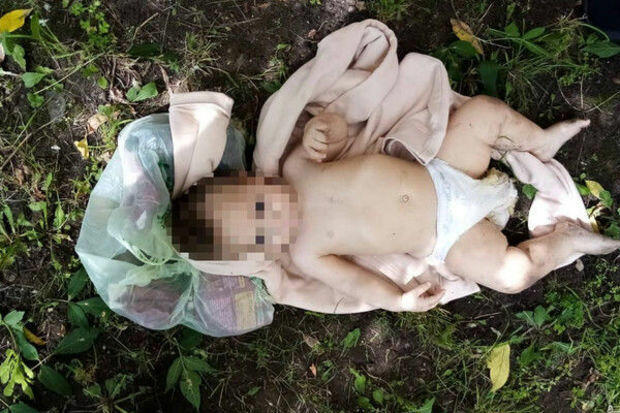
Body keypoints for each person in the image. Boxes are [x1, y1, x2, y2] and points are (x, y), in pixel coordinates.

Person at [172, 96, 620, 313]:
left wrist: (323, 130)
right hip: (448, 237)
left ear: (251, 180)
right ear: (263, 252)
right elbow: (356, 282)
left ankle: (539, 141)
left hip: (444, 170)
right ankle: (566, 240)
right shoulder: (307, 253)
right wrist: (398, 300)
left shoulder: (296, 166)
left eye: (256, 204)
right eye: (260, 234)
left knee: (482, 113)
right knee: (511, 276)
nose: (270, 216)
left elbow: (339, 134)